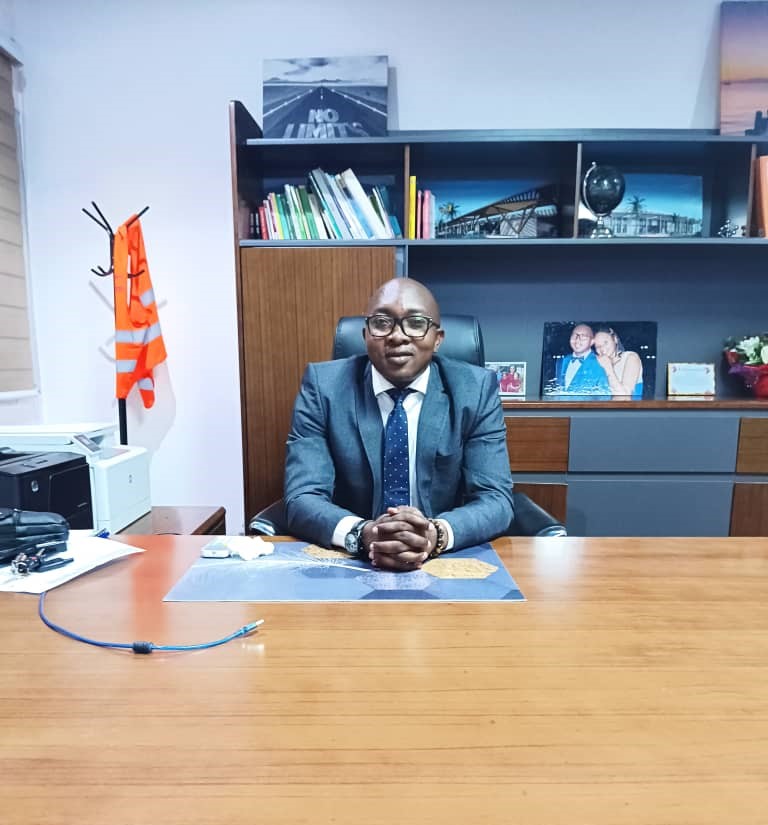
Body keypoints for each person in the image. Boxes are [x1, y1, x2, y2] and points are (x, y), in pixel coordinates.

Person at [284, 278, 514, 572]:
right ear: (366, 334)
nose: (397, 336)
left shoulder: (475, 390)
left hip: (445, 562)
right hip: (350, 561)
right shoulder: (323, 387)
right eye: (382, 323)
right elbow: (302, 496)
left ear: (438, 338)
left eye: (416, 323)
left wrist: (434, 534)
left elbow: (495, 498)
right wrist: (363, 534)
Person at [553, 323, 610, 394]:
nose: (577, 339)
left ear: (592, 342)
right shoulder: (561, 361)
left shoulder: (601, 363)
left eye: (583, 336)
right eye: (575, 335)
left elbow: (604, 396)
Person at [593, 327, 643, 399]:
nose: (602, 348)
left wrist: (607, 367)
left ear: (615, 339)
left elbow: (625, 397)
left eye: (605, 342)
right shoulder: (598, 365)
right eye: (597, 346)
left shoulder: (630, 357)